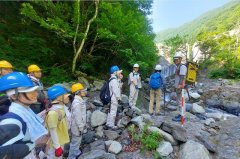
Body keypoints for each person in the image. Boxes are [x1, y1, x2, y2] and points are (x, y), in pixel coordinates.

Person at [0, 72, 48, 158]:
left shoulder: (26, 110)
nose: (36, 94)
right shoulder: (12, 119)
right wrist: (29, 146)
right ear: (14, 96)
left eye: (35, 91)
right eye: (29, 92)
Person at [46, 85, 70, 159]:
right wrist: (57, 147)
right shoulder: (53, 113)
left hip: (60, 140)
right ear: (59, 98)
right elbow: (52, 131)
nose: (68, 97)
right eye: (65, 96)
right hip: (55, 144)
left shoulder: (62, 108)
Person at [68, 83, 87, 159]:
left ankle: (77, 153)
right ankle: (71, 157)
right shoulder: (77, 103)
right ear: (78, 92)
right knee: (75, 143)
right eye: (83, 90)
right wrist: (81, 127)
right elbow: (78, 117)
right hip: (77, 127)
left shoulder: (78, 100)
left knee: (77, 141)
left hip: (77, 126)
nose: (85, 91)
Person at [172, 52, 187, 122]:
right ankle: (180, 114)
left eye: (177, 59)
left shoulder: (182, 67)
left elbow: (182, 77)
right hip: (178, 87)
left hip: (181, 87)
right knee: (179, 102)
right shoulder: (178, 66)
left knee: (181, 102)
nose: (175, 61)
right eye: (174, 59)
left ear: (180, 59)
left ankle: (182, 116)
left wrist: (180, 85)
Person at [106, 65, 121, 130]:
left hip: (112, 97)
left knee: (111, 110)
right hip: (114, 98)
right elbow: (116, 90)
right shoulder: (114, 80)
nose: (119, 72)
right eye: (118, 71)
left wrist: (119, 79)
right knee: (113, 111)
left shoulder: (112, 79)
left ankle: (108, 123)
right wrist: (119, 98)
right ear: (115, 72)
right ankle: (111, 125)